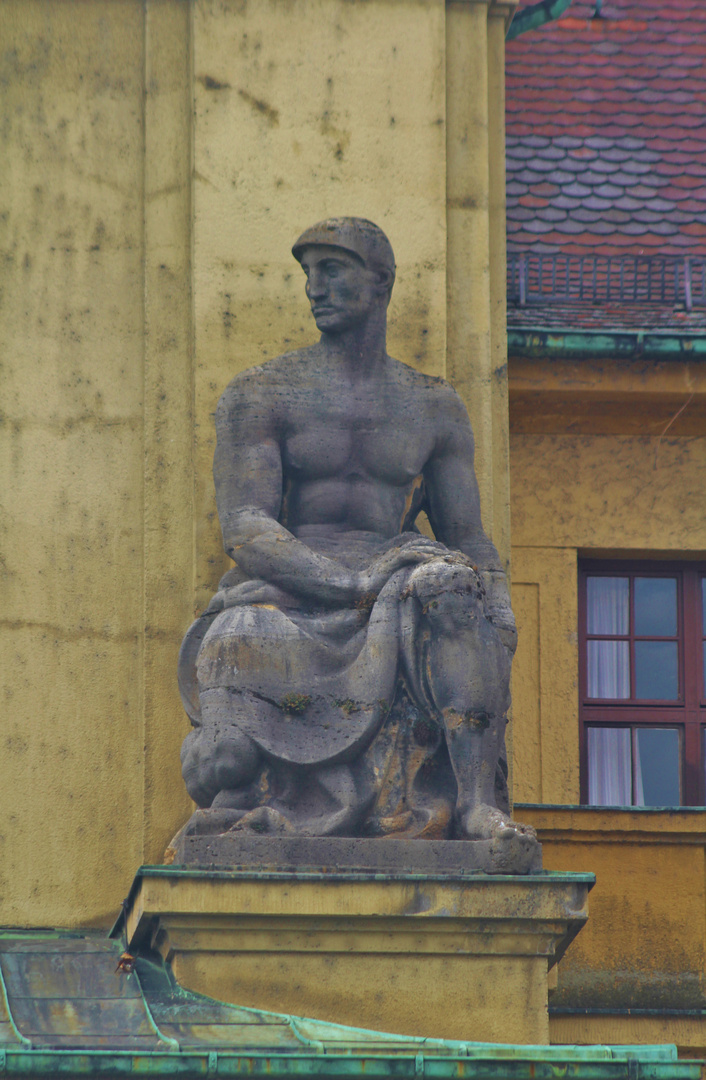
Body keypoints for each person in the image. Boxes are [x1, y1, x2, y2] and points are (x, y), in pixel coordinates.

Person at [178, 217, 534, 845]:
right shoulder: (263, 392)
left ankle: (477, 805)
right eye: (308, 274)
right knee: (234, 669)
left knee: (454, 592)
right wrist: (347, 584)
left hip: (395, 582)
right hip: (291, 588)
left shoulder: (433, 405)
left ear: (381, 281)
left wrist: (497, 604)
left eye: (332, 270)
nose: (315, 288)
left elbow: (468, 534)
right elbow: (246, 527)